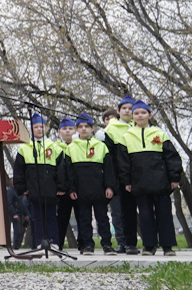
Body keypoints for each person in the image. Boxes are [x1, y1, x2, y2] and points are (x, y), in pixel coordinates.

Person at [115, 101, 182, 256]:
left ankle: (167, 246)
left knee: (164, 214)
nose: (140, 115)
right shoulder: (127, 136)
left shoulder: (160, 134)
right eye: (136, 113)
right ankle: (149, 246)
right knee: (145, 215)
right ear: (132, 116)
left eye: (143, 113)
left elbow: (171, 157)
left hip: (161, 183)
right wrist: (127, 181)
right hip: (140, 184)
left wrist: (174, 177)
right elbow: (123, 162)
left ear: (149, 115)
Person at [60, 113, 117, 256]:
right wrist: (71, 189)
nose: (84, 129)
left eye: (87, 126)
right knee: (84, 219)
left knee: (102, 218)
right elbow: (68, 171)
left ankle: (107, 245)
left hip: (99, 189)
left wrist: (109, 186)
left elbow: (109, 169)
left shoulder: (101, 146)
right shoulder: (71, 148)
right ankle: (87, 245)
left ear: (93, 129)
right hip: (80, 190)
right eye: (80, 127)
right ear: (77, 129)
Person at [12, 114, 65, 249]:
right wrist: (21, 188)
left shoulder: (54, 148)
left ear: (46, 128)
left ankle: (53, 242)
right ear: (31, 129)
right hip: (34, 189)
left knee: (51, 217)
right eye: (35, 127)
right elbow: (19, 171)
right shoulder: (24, 148)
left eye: (41, 127)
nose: (39, 129)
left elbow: (61, 170)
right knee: (37, 218)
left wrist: (61, 187)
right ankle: (40, 242)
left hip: (50, 189)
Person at [103, 97, 140, 254]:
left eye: (130, 108)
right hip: (119, 177)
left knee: (135, 211)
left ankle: (135, 242)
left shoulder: (139, 127)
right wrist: (113, 178)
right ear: (118, 111)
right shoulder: (111, 130)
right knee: (119, 211)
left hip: (138, 176)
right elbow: (108, 157)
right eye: (124, 108)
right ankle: (122, 242)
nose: (127, 111)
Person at [54, 117, 80, 249]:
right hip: (63, 190)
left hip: (80, 188)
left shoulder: (79, 146)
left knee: (82, 217)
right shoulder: (55, 148)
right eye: (64, 129)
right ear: (59, 131)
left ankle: (84, 244)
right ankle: (58, 244)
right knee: (62, 218)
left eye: (70, 129)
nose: (68, 131)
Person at [6, 183, 26, 249]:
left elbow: (21, 203)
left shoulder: (16, 191)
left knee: (19, 231)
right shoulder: (10, 191)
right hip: (15, 213)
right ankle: (15, 246)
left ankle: (17, 246)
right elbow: (10, 203)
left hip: (19, 213)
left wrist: (25, 214)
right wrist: (14, 213)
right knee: (17, 231)